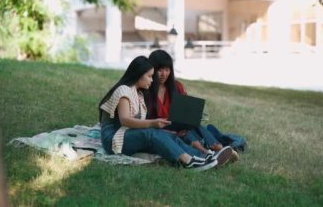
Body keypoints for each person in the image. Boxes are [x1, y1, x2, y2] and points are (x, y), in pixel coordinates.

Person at [98, 55, 230, 171]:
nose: (152, 80)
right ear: (139, 74)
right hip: (113, 139)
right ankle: (188, 162)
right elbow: (125, 120)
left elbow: (137, 125)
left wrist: (163, 130)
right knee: (151, 133)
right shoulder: (124, 90)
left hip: (127, 134)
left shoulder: (138, 94)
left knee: (170, 136)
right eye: (149, 76)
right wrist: (152, 124)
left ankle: (204, 158)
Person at [147, 49, 239, 164]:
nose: (164, 74)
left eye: (167, 69)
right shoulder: (146, 90)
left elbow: (186, 110)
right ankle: (208, 153)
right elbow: (147, 122)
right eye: (160, 70)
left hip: (180, 125)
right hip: (162, 130)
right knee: (185, 131)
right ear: (152, 70)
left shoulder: (176, 86)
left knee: (194, 125)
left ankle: (219, 148)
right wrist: (171, 131)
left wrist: (190, 116)